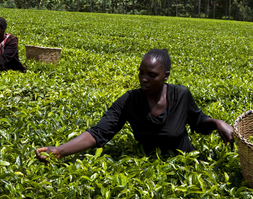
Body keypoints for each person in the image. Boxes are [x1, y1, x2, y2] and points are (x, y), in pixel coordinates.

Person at [36, 49, 233, 161]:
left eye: (152, 75)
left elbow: (198, 121)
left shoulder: (180, 95)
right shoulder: (129, 100)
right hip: (148, 167)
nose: (144, 79)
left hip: (184, 164)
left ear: (166, 77)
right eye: (141, 73)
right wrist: (60, 151)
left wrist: (217, 122)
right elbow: (99, 132)